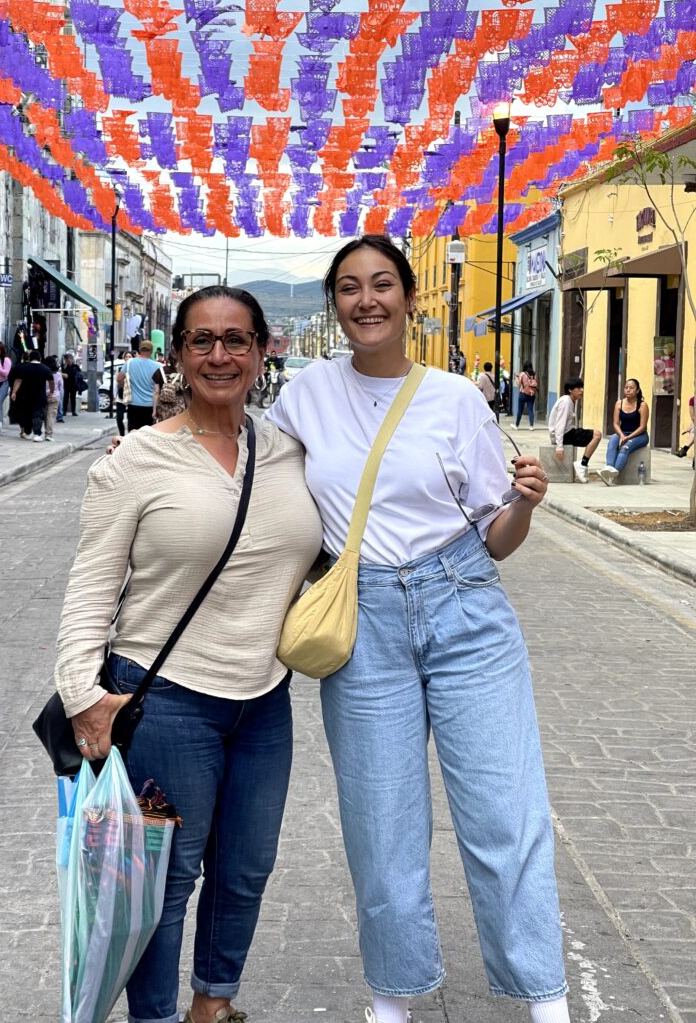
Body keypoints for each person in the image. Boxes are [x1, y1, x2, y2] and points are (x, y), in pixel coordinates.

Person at [266, 235, 570, 1023]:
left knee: (506, 814)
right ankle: (392, 1000)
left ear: (408, 299)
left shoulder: (457, 398)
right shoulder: (304, 396)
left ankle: (546, 1000)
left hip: (465, 605)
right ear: (334, 304)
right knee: (381, 824)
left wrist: (525, 503)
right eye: (349, 287)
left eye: (382, 284)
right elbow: (255, 481)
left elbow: (495, 538)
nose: (366, 300)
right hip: (361, 621)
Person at [53, 285, 322, 1023]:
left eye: (236, 339)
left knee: (245, 871)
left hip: (264, 703)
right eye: (202, 340)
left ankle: (212, 1006)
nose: (219, 355)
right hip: (163, 702)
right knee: (161, 882)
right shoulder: (137, 460)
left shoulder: (290, 452)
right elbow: (90, 586)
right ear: (177, 354)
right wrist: (82, 696)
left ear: (263, 351)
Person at [548, 377, 601, 483]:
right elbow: (560, 425)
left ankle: (582, 464)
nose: (581, 390)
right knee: (597, 434)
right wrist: (559, 447)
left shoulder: (569, 401)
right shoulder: (566, 402)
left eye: (582, 388)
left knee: (595, 434)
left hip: (567, 433)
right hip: (563, 435)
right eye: (578, 388)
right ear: (570, 390)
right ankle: (582, 464)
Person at [599, 378, 650, 485]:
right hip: (623, 433)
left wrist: (628, 438)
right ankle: (609, 468)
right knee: (612, 442)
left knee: (624, 448)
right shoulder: (619, 403)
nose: (628, 390)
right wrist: (622, 435)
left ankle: (612, 476)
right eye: (626, 387)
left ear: (637, 390)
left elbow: (643, 427)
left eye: (631, 388)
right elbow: (616, 424)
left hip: (639, 435)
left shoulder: (642, 405)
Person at [9, 349, 54, 441]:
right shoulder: (45, 369)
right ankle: (37, 434)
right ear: (40, 358)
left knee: (27, 414)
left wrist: (14, 392)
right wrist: (51, 391)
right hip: (40, 396)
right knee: (37, 414)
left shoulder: (23, 368)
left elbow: (18, 380)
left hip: (25, 395)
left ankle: (28, 432)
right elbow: (51, 382)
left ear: (29, 358)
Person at [118, 339, 159, 430]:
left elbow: (119, 378)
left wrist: (125, 386)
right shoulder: (158, 366)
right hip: (150, 406)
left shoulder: (130, 363)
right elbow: (158, 389)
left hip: (133, 404)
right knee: (148, 433)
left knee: (133, 432)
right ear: (151, 351)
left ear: (140, 350)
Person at [43, 356, 63, 442]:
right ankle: (49, 434)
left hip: (44, 396)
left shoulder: (43, 373)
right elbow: (60, 386)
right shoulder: (58, 375)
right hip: (54, 396)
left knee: (45, 415)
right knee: (51, 416)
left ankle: (45, 431)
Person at [514, 360, 538, 430]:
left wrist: (516, 379)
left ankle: (517, 425)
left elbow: (519, 385)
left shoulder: (522, 374)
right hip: (531, 394)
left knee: (520, 410)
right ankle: (531, 426)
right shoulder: (534, 374)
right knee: (530, 409)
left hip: (523, 394)